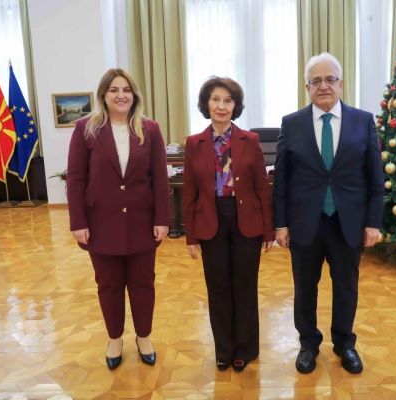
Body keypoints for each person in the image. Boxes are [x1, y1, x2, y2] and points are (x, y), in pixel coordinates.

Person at [272, 53, 384, 374]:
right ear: (307, 86)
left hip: (348, 223)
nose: (324, 86)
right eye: (316, 80)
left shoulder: (363, 121)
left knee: (346, 286)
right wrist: (280, 223)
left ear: (341, 83)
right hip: (304, 222)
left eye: (330, 79)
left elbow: (375, 176)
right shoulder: (291, 123)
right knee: (304, 287)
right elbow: (282, 179)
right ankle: (308, 343)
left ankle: (345, 343)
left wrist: (373, 222)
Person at [67, 68, 170, 370]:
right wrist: (78, 222)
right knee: (108, 285)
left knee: (143, 284)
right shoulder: (86, 129)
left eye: (126, 89)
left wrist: (162, 218)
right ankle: (114, 339)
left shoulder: (150, 129)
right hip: (101, 225)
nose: (121, 95)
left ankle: (143, 337)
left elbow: (160, 179)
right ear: (103, 95)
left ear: (134, 95)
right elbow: (76, 179)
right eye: (114, 90)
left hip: (142, 223)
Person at [183, 76, 274, 372]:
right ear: (206, 104)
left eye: (227, 100)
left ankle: (245, 349)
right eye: (215, 100)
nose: (221, 106)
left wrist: (268, 231)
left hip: (246, 218)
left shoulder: (250, 140)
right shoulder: (194, 143)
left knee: (245, 286)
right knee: (218, 287)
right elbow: (189, 191)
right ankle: (224, 349)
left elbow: (262, 187)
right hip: (210, 220)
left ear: (235, 106)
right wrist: (190, 236)